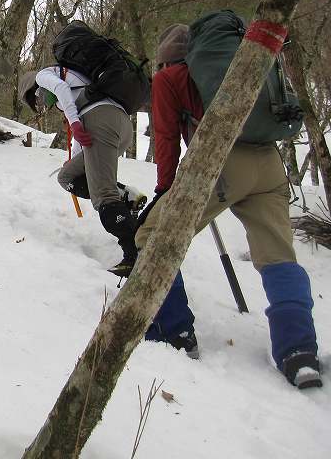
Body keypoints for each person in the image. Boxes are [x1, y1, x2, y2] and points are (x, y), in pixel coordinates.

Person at [134, 23, 321, 389]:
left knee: (152, 234)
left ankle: (173, 332)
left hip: (222, 161)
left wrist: (166, 189)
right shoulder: (236, 67)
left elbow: (168, 138)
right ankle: (299, 351)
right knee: (278, 255)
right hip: (268, 163)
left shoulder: (169, 77)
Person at [34, 65, 146, 267]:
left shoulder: (43, 75)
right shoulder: (83, 76)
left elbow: (61, 89)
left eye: (39, 97)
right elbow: (83, 143)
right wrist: (75, 156)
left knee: (104, 197)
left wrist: (74, 122)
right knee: (67, 176)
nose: (42, 102)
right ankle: (125, 196)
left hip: (101, 121)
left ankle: (136, 256)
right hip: (119, 124)